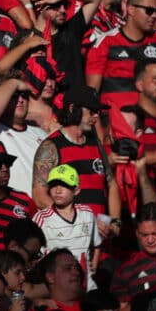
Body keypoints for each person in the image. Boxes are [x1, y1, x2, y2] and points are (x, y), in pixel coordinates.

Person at [32, 85, 120, 222]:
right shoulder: (51, 146)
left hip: (100, 237)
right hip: (69, 237)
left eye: (97, 112)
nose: (96, 117)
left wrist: (115, 222)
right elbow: (39, 196)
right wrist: (75, 221)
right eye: (91, 111)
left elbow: (112, 184)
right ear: (73, 109)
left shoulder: (96, 144)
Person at [86, 0, 156, 108]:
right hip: (114, 117)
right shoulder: (106, 42)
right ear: (131, 9)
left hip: (150, 115)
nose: (154, 16)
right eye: (149, 10)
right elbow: (91, 92)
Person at [32, 165, 102, 285]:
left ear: (76, 190)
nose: (58, 190)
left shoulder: (87, 213)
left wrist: (93, 266)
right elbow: (33, 255)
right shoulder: (42, 218)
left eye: (64, 185)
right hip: (57, 287)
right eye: (53, 185)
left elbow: (97, 245)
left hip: (86, 285)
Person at [110, 203, 156, 307]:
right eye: (145, 235)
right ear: (137, 234)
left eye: (155, 233)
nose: (150, 240)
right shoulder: (125, 271)